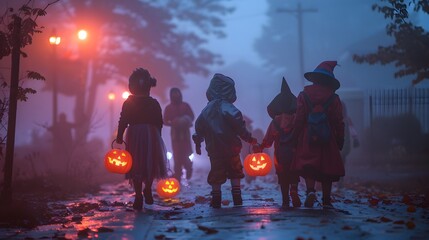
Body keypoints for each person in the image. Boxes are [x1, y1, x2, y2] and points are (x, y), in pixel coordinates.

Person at [192, 73, 257, 208]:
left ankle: (216, 198)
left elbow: (199, 127)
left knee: (216, 173)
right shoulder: (230, 108)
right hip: (232, 148)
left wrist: (198, 142)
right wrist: (249, 139)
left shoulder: (206, 111)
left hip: (214, 149)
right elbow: (239, 126)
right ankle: (237, 197)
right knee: (235, 172)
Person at [291, 61, 345, 209]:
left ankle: (310, 192)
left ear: (314, 79)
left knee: (309, 166)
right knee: (327, 168)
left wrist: (294, 138)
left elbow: (299, 119)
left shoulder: (303, 96)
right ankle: (327, 200)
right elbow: (338, 121)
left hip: (307, 136)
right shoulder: (334, 99)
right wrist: (340, 139)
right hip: (328, 138)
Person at [116, 68, 168, 210]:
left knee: (136, 164)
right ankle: (147, 189)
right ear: (148, 87)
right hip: (151, 135)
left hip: (134, 135)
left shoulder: (128, 103)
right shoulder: (154, 103)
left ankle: (139, 194)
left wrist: (120, 136)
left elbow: (123, 120)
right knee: (149, 163)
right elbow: (159, 122)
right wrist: (158, 137)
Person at [254, 78, 301, 208]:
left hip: (280, 154)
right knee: (294, 174)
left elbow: (268, 140)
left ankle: (285, 199)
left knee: (283, 176)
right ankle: (294, 190)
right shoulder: (297, 120)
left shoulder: (275, 122)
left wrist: (261, 147)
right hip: (295, 152)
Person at [164, 88, 195, 183]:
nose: (175, 95)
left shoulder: (185, 106)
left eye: (177, 93)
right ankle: (177, 173)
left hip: (185, 134)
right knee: (177, 154)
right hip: (175, 135)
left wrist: (186, 121)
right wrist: (173, 122)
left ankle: (189, 168)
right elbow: (164, 120)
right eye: (173, 94)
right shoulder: (169, 108)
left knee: (187, 152)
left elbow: (192, 116)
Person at [338, 100, 360, 188]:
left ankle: (338, 178)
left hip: (337, 145)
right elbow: (352, 130)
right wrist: (355, 138)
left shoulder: (335, 119)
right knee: (343, 161)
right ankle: (340, 179)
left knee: (337, 162)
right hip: (345, 145)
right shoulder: (347, 119)